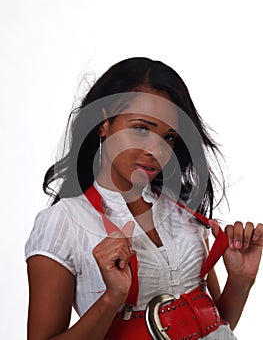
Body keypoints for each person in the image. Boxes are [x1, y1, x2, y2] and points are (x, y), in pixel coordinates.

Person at [25, 57, 262, 340]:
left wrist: (240, 279)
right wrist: (112, 297)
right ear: (104, 123)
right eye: (141, 128)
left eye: (169, 137)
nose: (157, 149)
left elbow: (214, 325)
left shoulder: (183, 213)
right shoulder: (63, 223)